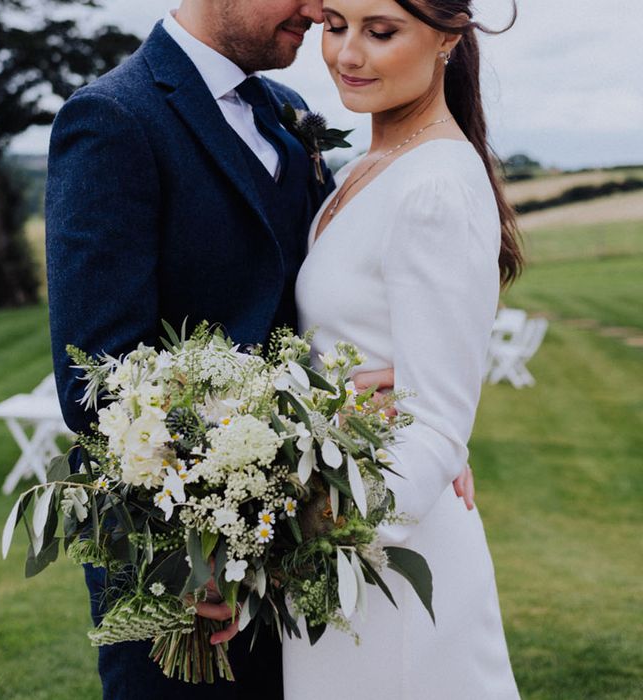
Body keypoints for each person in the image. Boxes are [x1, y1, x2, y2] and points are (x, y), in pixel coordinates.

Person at [46, 1, 474, 697]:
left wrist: (418, 420)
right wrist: (200, 550)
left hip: (305, 566)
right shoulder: (114, 118)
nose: (315, 9)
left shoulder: (286, 108)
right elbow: (97, 381)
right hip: (188, 577)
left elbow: (332, 305)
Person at [281, 0, 523, 698]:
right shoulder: (371, 164)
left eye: (380, 32)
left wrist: (282, 541)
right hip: (341, 565)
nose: (346, 55)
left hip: (387, 569)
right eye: (334, 26)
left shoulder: (437, 187)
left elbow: (439, 426)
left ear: (448, 36)